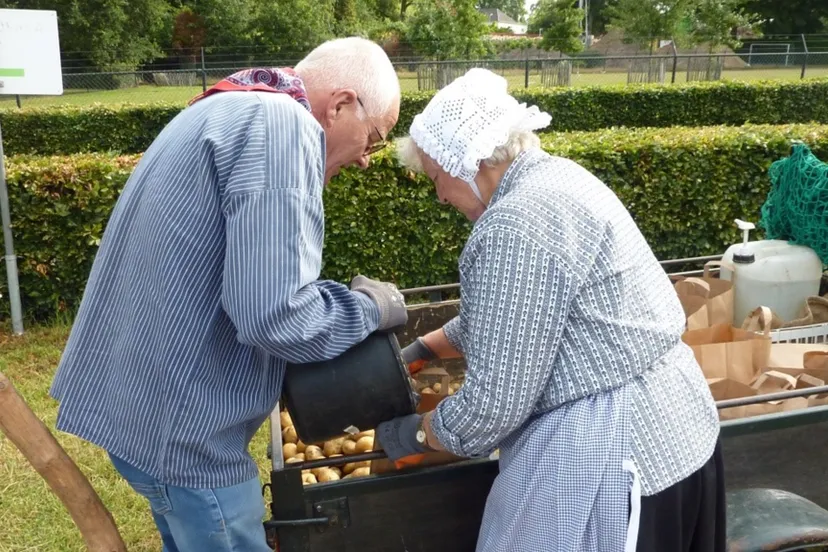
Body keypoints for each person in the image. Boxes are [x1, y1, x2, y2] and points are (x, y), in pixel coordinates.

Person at [50, 37, 407, 552]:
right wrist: (369, 309)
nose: (366, 160)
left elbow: (241, 279)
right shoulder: (283, 128)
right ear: (341, 104)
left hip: (143, 411)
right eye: (373, 138)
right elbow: (277, 317)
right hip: (186, 436)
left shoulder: (236, 104)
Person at [379, 68, 725, 552]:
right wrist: (423, 348)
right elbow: (513, 313)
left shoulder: (514, 225)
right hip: (680, 429)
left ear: (470, 162)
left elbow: (492, 407)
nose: (439, 195)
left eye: (438, 177)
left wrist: (417, 435)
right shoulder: (559, 177)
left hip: (619, 454)